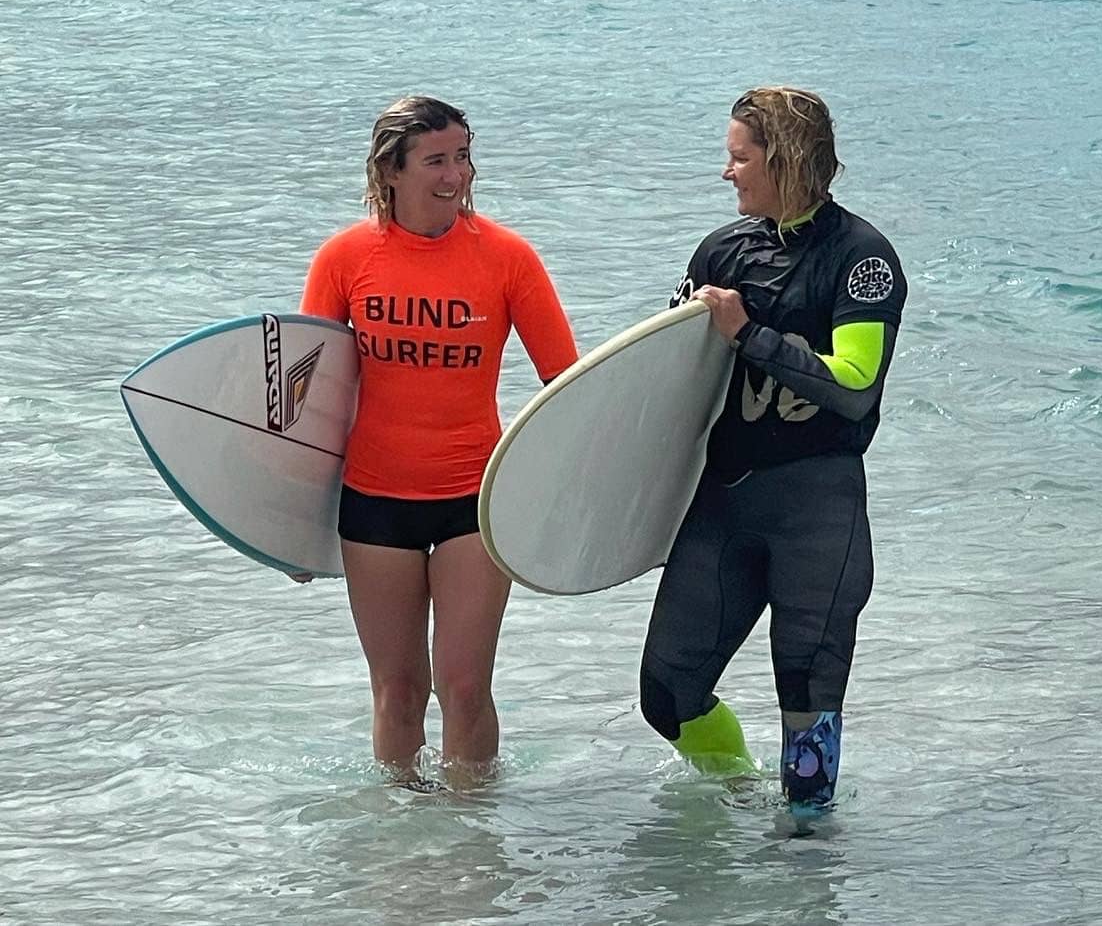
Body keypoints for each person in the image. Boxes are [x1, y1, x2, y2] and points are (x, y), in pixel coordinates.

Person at [298, 95, 579, 788]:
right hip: (374, 502)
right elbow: (310, 401)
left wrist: (572, 500)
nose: (456, 174)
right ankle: (403, 839)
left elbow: (567, 388)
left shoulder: (507, 258)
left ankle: (472, 832)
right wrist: (289, 528)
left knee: (462, 684)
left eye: (462, 157)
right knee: (398, 688)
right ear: (391, 170)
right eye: (436, 160)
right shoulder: (345, 258)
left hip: (475, 502)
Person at [639, 86, 907, 812]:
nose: (726, 172)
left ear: (782, 159)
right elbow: (664, 377)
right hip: (725, 504)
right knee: (667, 693)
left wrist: (748, 335)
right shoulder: (722, 251)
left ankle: (806, 868)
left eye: (739, 157)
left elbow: (854, 385)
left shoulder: (862, 259)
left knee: (807, 709)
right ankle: (739, 793)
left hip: (818, 513)